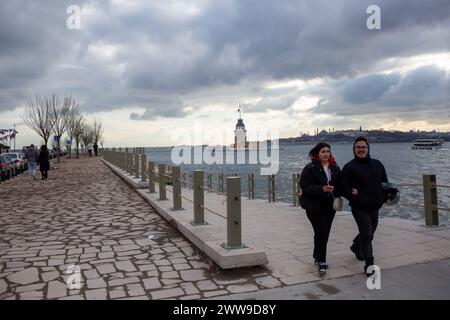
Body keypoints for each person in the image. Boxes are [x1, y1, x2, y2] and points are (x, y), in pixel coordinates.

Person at [340, 136, 388, 277]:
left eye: (363, 147)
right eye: (358, 147)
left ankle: (356, 246)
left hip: (375, 206)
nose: (361, 149)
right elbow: (343, 187)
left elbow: (384, 182)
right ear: (354, 149)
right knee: (367, 235)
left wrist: (384, 197)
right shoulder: (349, 167)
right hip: (359, 206)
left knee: (370, 232)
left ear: (368, 148)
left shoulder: (377, 164)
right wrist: (353, 195)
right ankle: (369, 264)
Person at [300, 142, 341, 274]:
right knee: (322, 231)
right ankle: (322, 261)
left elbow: (341, 183)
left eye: (328, 151)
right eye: (323, 151)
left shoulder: (334, 167)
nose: (326, 154)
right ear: (317, 153)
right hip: (314, 206)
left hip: (330, 206)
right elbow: (305, 187)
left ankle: (317, 256)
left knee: (324, 232)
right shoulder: (310, 168)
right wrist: (321, 189)